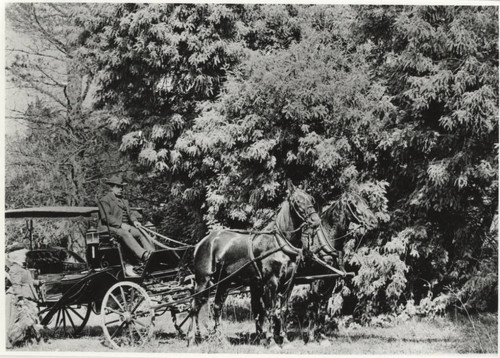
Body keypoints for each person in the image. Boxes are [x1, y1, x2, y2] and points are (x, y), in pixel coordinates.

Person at [98, 175, 154, 275]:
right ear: (111, 187)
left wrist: (135, 221)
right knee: (125, 233)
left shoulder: (124, 201)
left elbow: (130, 213)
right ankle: (143, 255)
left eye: (121, 187)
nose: (121, 189)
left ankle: (152, 254)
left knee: (140, 232)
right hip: (110, 227)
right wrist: (120, 224)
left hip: (125, 226)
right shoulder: (104, 200)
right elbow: (106, 217)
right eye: (118, 187)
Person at [5, 248, 42, 348]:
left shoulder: (21, 268)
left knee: (28, 320)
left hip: (27, 295)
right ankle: (11, 342)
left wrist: (38, 282)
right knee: (19, 321)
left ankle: (27, 340)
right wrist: (20, 298)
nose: (25, 259)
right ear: (17, 258)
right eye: (23, 257)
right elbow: (16, 284)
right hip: (20, 297)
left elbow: (27, 281)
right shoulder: (15, 269)